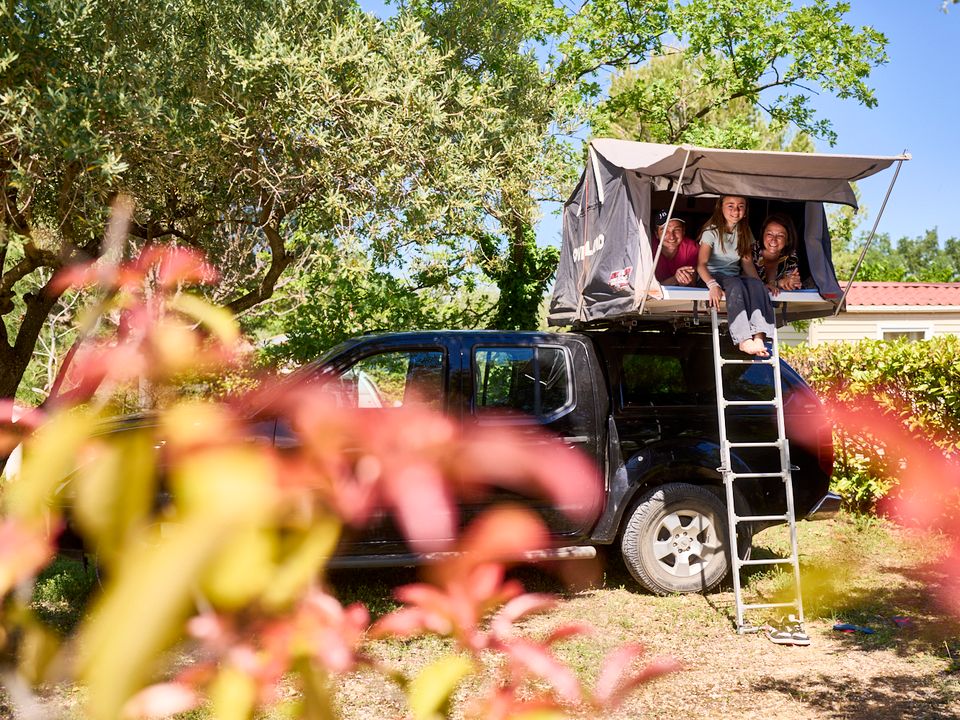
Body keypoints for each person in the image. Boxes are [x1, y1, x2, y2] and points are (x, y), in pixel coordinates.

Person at [696, 195, 775, 357]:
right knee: (736, 285)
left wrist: (760, 283)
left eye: (740, 206)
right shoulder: (711, 231)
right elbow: (701, 265)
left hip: (732, 277)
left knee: (755, 285)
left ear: (745, 211)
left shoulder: (744, 231)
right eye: (730, 206)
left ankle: (759, 337)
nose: (735, 211)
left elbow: (746, 261)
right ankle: (743, 340)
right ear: (720, 208)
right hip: (711, 277)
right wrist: (712, 285)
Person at [753, 213, 802, 296]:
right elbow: (747, 282)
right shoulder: (751, 251)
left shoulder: (790, 255)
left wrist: (792, 282)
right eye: (769, 234)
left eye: (780, 236)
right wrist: (779, 283)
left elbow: (788, 281)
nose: (773, 240)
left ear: (788, 240)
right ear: (762, 235)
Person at [652, 210, 698, 286]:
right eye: (665, 231)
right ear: (656, 234)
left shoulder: (691, 247)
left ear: (683, 232)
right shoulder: (648, 248)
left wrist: (684, 278)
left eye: (677, 230)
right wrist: (675, 279)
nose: (672, 237)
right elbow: (646, 288)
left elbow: (691, 285)